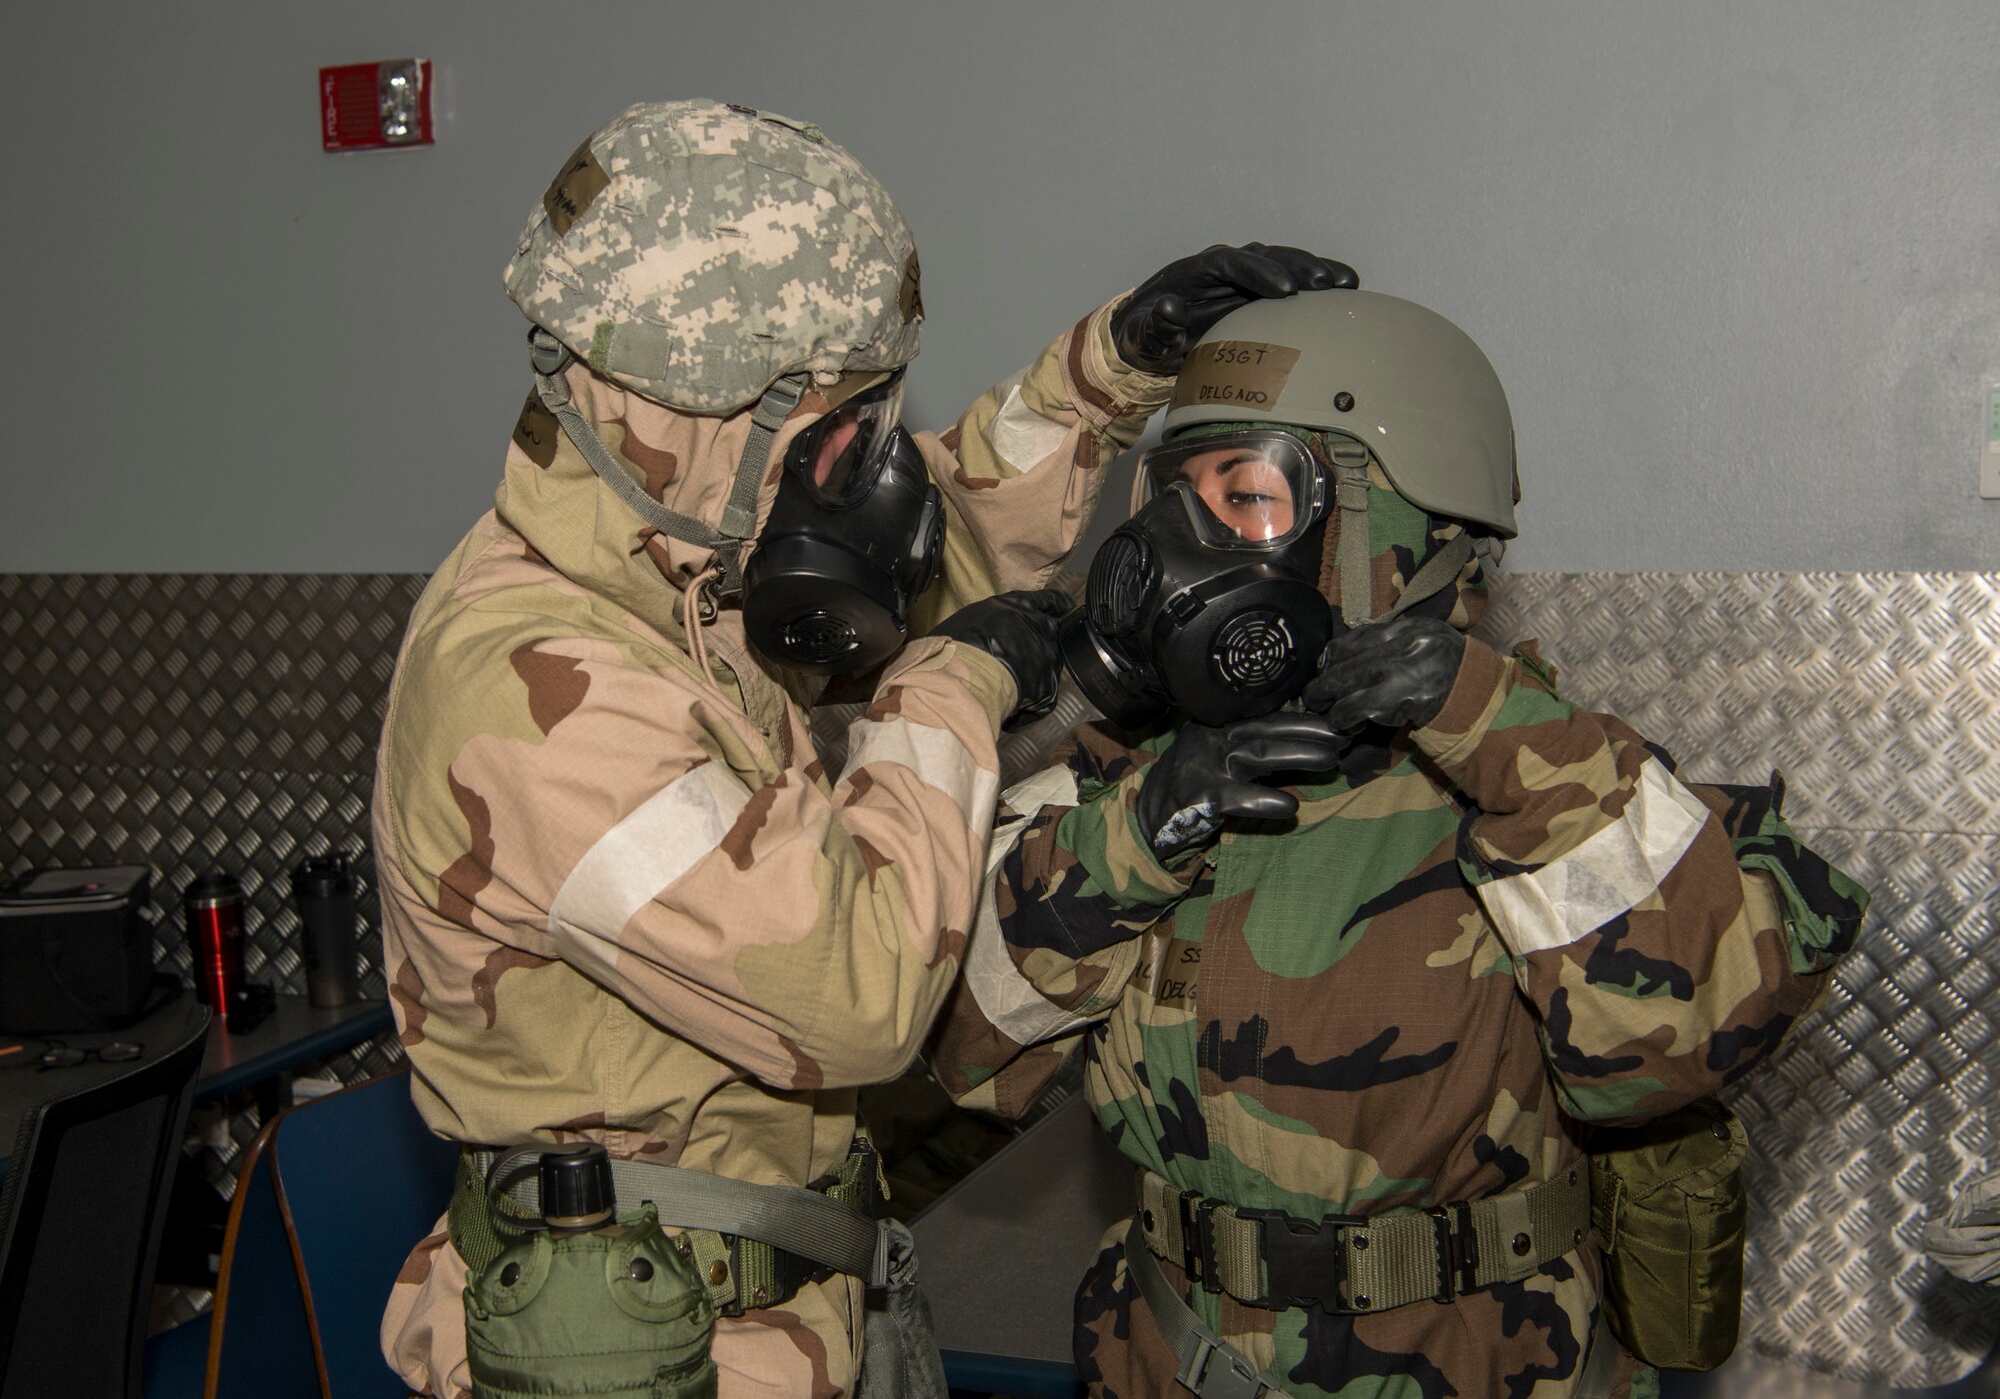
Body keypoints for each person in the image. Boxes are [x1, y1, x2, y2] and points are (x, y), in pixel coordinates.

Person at [372, 96, 1356, 1398]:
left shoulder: (681, 587)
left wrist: (1108, 370)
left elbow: (918, 554)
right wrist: (953, 682)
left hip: (785, 1292)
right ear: (715, 404)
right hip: (650, 1347)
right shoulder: (539, 691)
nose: (865, 465)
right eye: (845, 424)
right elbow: (859, 991)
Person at [931, 289, 1869, 1398]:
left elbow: (1666, 1055)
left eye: (1245, 496)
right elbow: (967, 1058)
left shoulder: (1558, 787)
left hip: (1475, 1362)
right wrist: (1136, 836)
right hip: (1167, 1350)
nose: (1187, 548)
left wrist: (1489, 727)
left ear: (1401, 527)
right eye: (1175, 501)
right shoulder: (1129, 784)